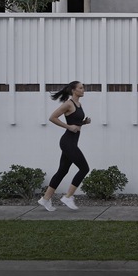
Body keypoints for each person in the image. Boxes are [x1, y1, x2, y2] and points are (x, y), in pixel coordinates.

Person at [37, 80, 91, 211]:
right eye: (81, 88)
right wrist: (68, 127)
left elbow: (75, 123)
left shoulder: (79, 104)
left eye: (83, 88)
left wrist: (83, 123)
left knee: (62, 171)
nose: (83, 90)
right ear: (74, 90)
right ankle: (68, 197)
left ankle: (45, 199)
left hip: (72, 141)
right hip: (67, 142)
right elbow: (52, 117)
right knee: (84, 168)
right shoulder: (68, 104)